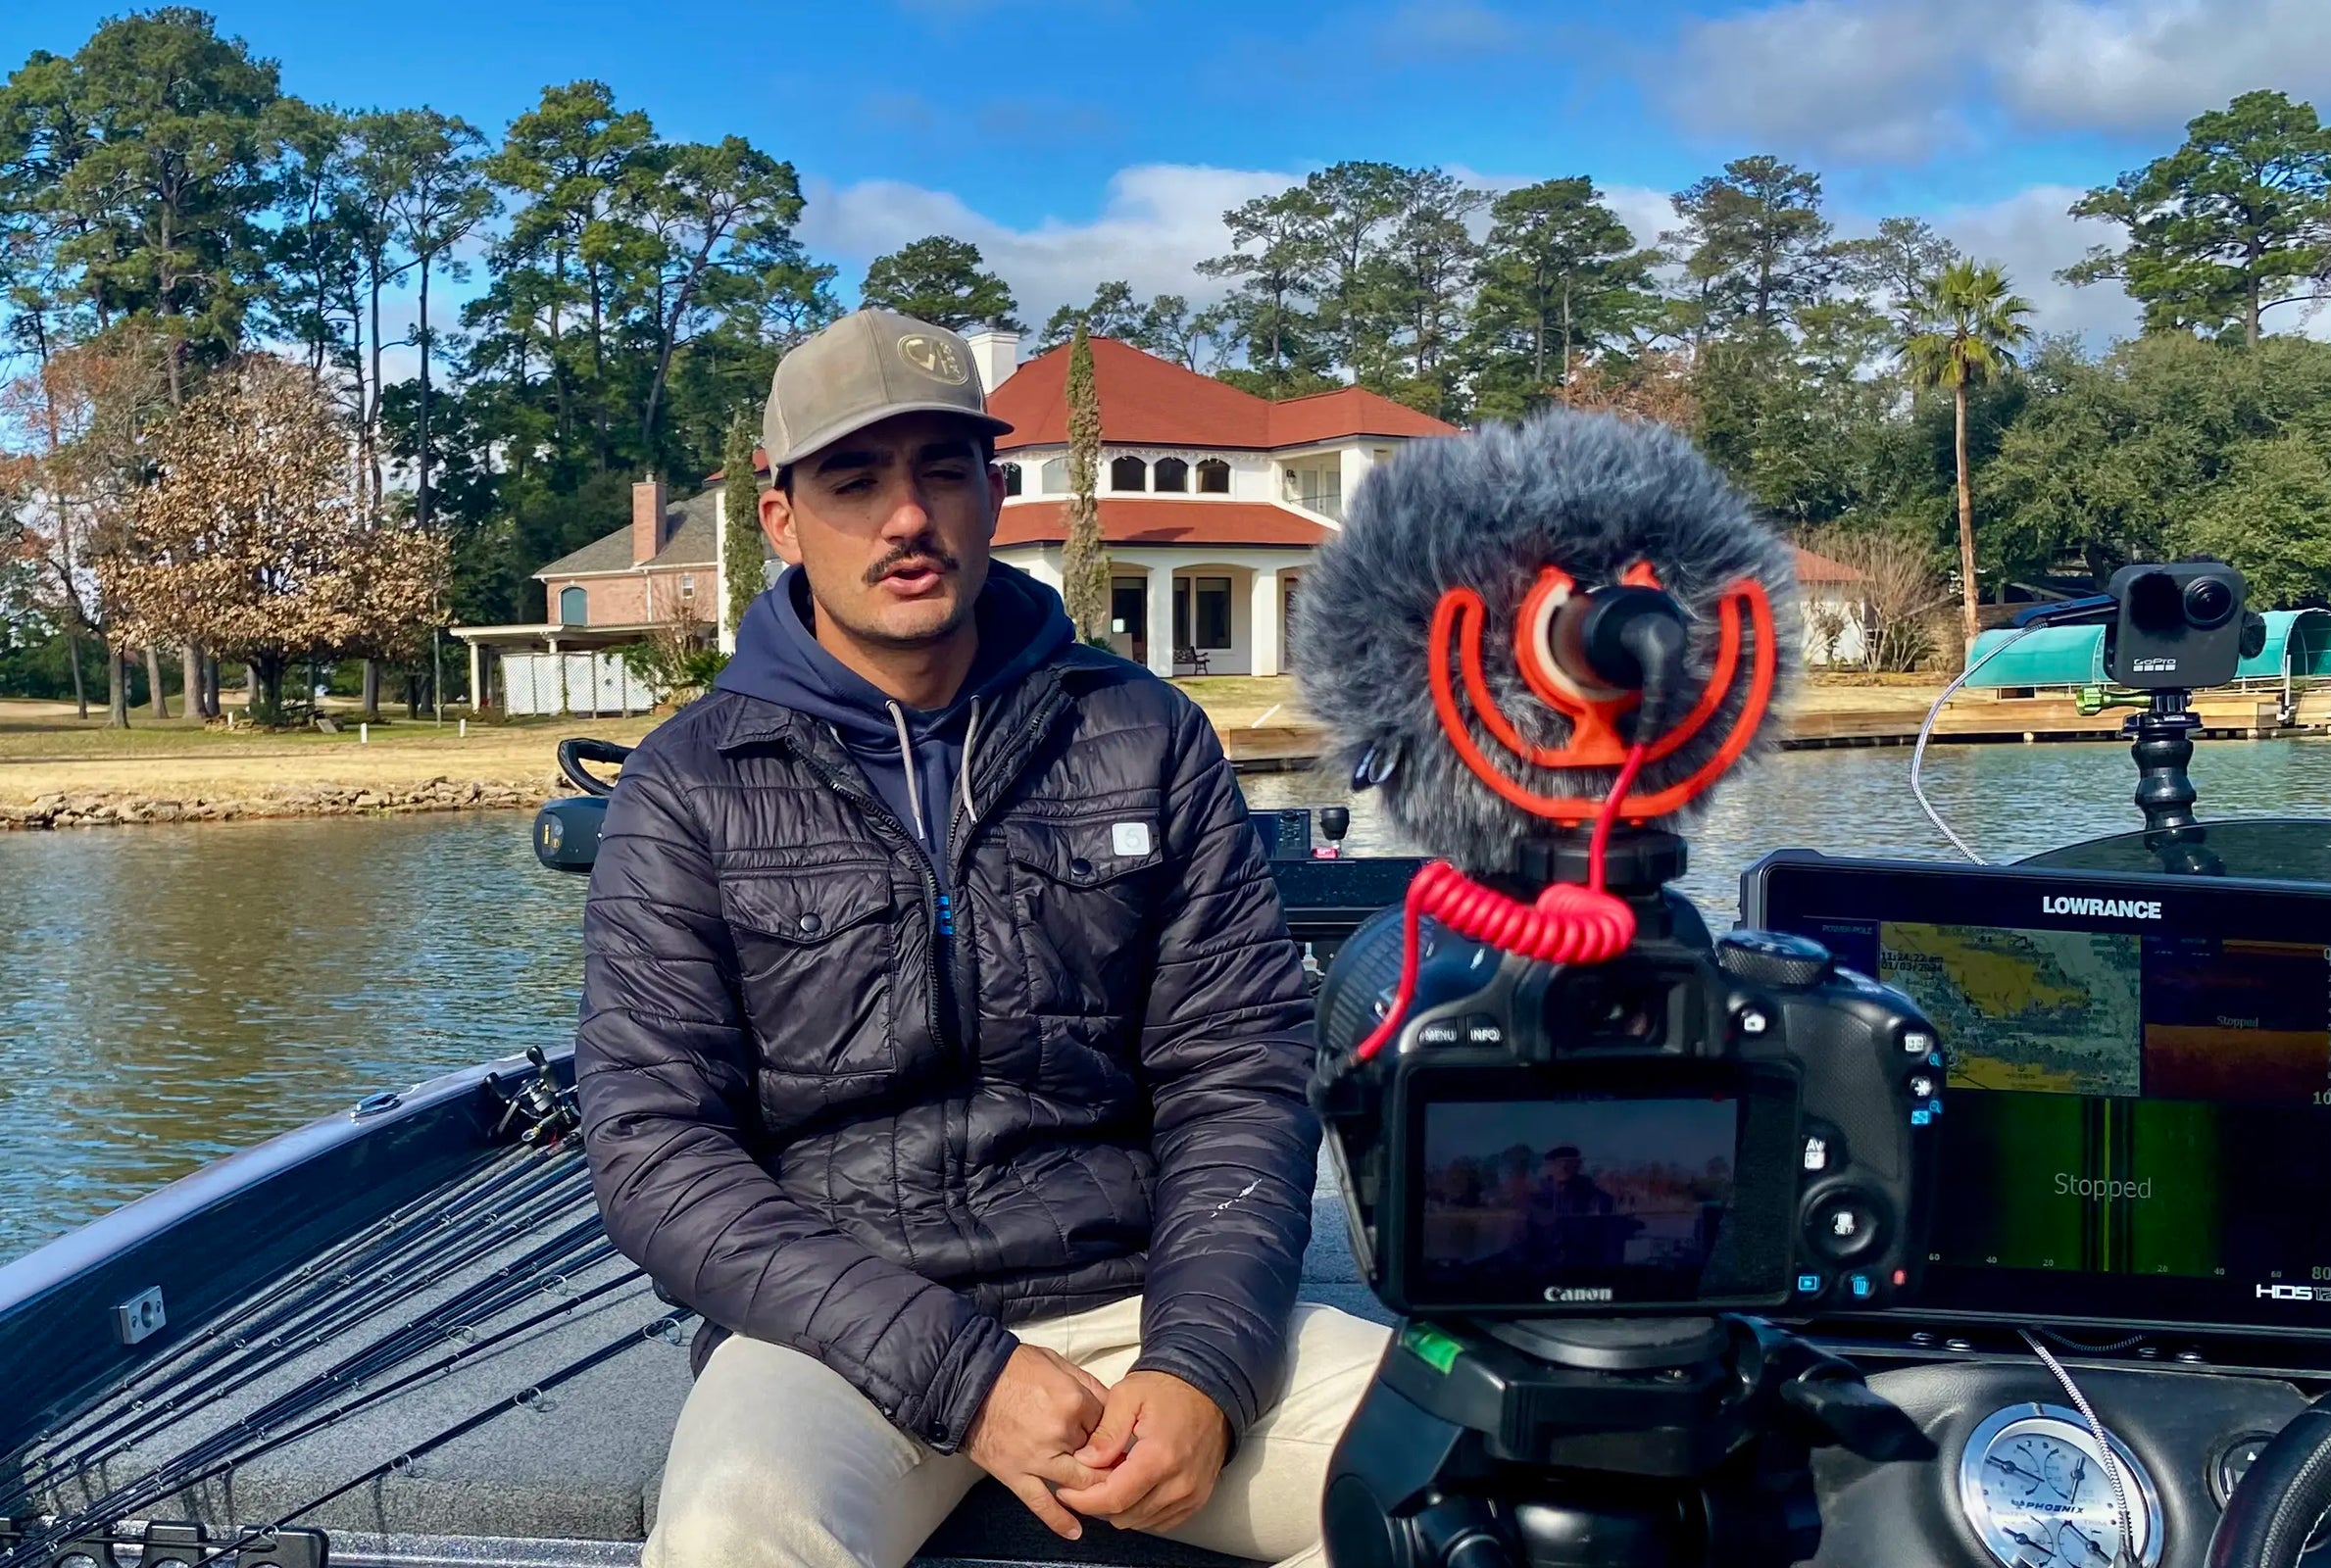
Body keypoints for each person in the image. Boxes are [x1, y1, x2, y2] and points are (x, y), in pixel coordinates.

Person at [572, 308, 1388, 1568]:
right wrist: (966, 1372)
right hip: (836, 1335)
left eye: (942, 471)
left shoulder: (1144, 735)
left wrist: (1207, 1365)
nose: (908, 517)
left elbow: (1239, 1075)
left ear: (993, 493)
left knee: (1477, 1474)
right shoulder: (687, 784)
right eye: (855, 480)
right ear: (780, 516)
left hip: (1137, 1297)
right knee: (735, 1532)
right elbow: (654, 1147)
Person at [1513, 1146, 1619, 1272]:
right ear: (1549, 1168)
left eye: (1569, 1162)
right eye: (1558, 1163)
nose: (1563, 1167)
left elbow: (1608, 1231)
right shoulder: (1536, 1200)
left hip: (1585, 1266)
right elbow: (1523, 1240)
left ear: (1578, 1165)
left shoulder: (1596, 1197)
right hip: (1546, 1267)